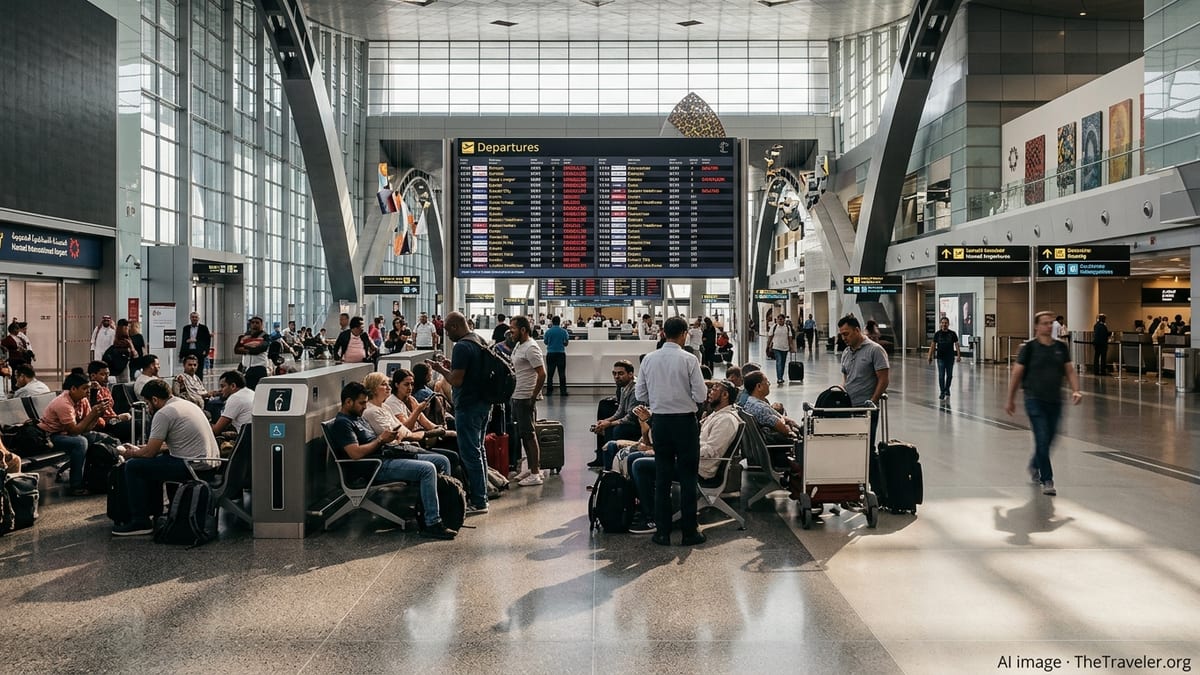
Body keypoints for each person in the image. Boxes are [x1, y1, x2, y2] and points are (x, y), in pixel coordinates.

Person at [326, 381, 457, 539]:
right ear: (348, 402)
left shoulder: (357, 417)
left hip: (385, 456)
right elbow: (355, 454)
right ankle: (432, 522)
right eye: (361, 403)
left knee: (440, 461)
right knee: (427, 469)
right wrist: (381, 440)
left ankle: (444, 512)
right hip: (374, 467)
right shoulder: (343, 424)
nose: (365, 407)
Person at [111, 379, 220, 536]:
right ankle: (156, 513)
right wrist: (142, 449)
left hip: (192, 466)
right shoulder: (185, 404)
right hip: (209, 463)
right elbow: (164, 446)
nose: (148, 408)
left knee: (134, 466)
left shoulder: (163, 413)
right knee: (151, 465)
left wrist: (131, 453)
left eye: (147, 404)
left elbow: (150, 453)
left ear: (155, 399)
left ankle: (140, 521)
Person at [635, 316, 708, 547]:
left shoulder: (648, 359)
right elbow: (701, 395)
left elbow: (640, 394)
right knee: (687, 478)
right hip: (685, 424)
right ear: (684, 333)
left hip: (661, 424)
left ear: (663, 333)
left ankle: (662, 533)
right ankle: (689, 532)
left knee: (663, 477)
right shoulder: (689, 359)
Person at [1005, 311, 1083, 497]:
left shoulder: (1061, 347)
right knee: (1041, 436)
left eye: (1051, 323)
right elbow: (1017, 374)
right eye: (1045, 323)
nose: (1049, 326)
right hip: (1034, 399)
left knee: (1050, 438)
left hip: (1055, 400)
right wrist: (1010, 399)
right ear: (1036, 326)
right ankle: (1047, 479)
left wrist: (1076, 389)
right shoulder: (1029, 348)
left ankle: (1034, 464)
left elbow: (1069, 370)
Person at [427, 312, 491, 515]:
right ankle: (483, 495)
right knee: (479, 450)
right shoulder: (479, 340)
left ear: (454, 326)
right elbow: (468, 371)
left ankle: (479, 501)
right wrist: (451, 367)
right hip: (483, 403)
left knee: (470, 454)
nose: (446, 334)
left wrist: (440, 369)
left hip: (468, 406)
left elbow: (456, 380)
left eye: (446, 330)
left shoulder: (462, 346)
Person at [38, 373, 111, 496]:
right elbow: (74, 431)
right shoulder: (63, 403)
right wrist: (93, 414)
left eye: (88, 388)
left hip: (67, 434)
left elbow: (86, 428)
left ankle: (96, 479)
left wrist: (97, 414)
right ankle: (76, 485)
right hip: (50, 437)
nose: (88, 392)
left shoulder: (82, 400)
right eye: (84, 388)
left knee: (101, 438)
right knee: (80, 442)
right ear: (73, 389)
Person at [837, 315, 890, 449]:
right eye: (842, 335)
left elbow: (883, 379)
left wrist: (873, 400)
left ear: (857, 330)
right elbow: (846, 377)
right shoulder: (846, 352)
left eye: (846, 334)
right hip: (849, 407)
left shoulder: (875, 350)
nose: (844, 338)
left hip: (865, 410)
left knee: (866, 448)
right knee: (851, 446)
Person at [507, 316, 547, 486]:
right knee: (523, 435)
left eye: (513, 328)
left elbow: (542, 374)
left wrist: (533, 396)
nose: (510, 331)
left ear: (523, 330)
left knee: (529, 435)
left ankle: (536, 474)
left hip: (525, 397)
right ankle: (530, 469)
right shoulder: (519, 345)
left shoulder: (531, 348)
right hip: (517, 396)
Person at [592, 360, 642, 460]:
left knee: (616, 429)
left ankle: (613, 460)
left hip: (638, 424)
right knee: (603, 424)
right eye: (614, 373)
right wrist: (606, 421)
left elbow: (631, 418)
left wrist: (609, 424)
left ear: (631, 374)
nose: (616, 376)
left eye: (620, 373)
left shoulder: (636, 389)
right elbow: (620, 412)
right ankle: (603, 458)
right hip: (630, 420)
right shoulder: (624, 386)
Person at [86, 361, 133, 442]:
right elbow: (96, 411)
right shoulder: (89, 391)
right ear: (93, 376)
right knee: (132, 426)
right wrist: (118, 418)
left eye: (108, 374)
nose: (107, 378)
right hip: (101, 423)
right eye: (103, 375)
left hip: (112, 420)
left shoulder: (105, 389)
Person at [927, 316, 961, 401]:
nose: (944, 324)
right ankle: (942, 392)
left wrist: (958, 355)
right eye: (942, 323)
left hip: (950, 358)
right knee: (941, 375)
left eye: (945, 323)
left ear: (948, 324)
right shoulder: (937, 334)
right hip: (940, 358)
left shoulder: (952, 334)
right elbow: (933, 345)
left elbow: (956, 344)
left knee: (949, 375)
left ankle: (947, 389)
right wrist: (930, 356)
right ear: (940, 324)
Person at [211, 370, 254, 435]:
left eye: (223, 386)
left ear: (233, 386)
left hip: (246, 439)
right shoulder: (251, 392)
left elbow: (216, 430)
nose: (220, 390)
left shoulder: (236, 398)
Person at [235, 316, 271, 388]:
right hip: (245, 368)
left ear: (261, 325)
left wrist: (245, 347)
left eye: (257, 323)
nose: (255, 324)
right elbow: (237, 350)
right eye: (253, 323)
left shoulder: (265, 336)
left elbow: (259, 349)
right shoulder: (245, 335)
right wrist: (252, 346)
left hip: (258, 368)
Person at [542, 315, 570, 396]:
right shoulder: (564, 331)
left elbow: (546, 342)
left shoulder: (548, 331)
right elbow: (566, 343)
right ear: (559, 322)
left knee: (550, 373)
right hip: (561, 354)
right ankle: (563, 391)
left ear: (552, 322)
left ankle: (549, 391)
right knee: (562, 373)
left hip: (550, 354)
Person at [179, 312, 212, 378]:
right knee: (187, 369)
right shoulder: (186, 328)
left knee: (199, 370)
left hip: (199, 351)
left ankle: (198, 385)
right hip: (188, 351)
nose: (194, 318)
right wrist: (181, 354)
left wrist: (206, 351)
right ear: (190, 318)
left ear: (198, 318)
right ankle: (188, 383)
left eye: (196, 317)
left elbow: (207, 340)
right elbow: (183, 341)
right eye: (193, 317)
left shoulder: (204, 328)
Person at [766, 314, 796, 385]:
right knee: (779, 362)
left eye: (781, 319)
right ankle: (779, 378)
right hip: (776, 347)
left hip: (785, 348)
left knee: (782, 363)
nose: (780, 320)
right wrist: (767, 346)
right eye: (779, 319)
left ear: (784, 320)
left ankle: (781, 377)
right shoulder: (774, 327)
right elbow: (770, 337)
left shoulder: (787, 328)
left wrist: (792, 347)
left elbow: (790, 339)